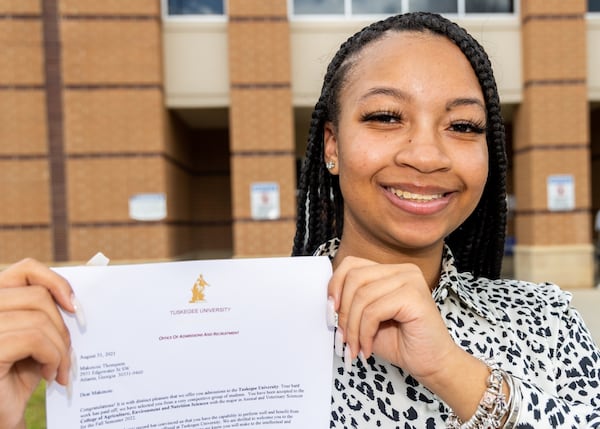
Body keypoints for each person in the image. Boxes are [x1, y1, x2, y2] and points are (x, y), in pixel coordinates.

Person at [1, 11, 599, 429]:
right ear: (331, 147)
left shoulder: (545, 318)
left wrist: (453, 371)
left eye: (462, 126)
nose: (427, 154)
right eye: (387, 116)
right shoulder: (230, 327)